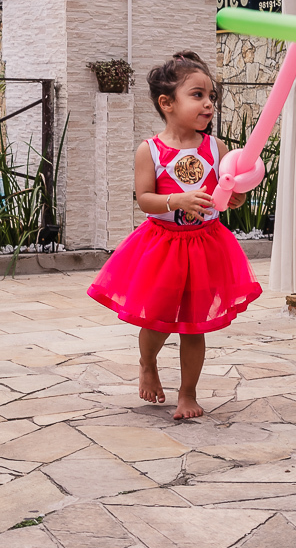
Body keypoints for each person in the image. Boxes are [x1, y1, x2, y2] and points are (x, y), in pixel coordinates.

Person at [88, 51, 261, 419]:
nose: (208, 103)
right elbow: (145, 200)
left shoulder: (217, 149)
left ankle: (188, 393)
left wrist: (236, 197)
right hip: (163, 247)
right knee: (157, 319)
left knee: (194, 326)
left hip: (205, 246)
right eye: (197, 95)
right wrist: (177, 199)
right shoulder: (149, 150)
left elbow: (227, 195)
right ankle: (147, 362)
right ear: (167, 103)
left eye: (211, 96)